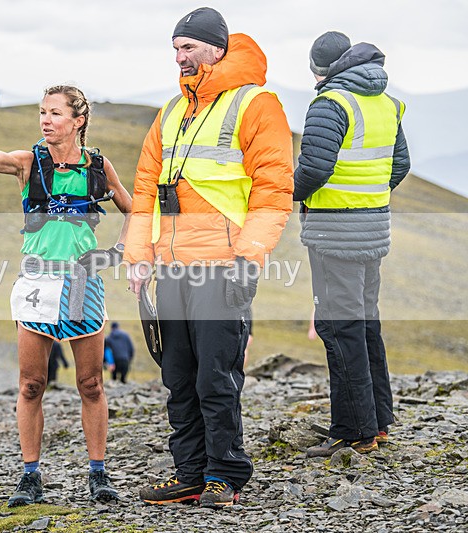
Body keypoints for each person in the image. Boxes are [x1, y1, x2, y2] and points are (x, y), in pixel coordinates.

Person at [0, 84, 132, 506]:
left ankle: (98, 475)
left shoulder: (98, 166)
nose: (45, 120)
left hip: (82, 283)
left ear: (78, 121)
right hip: (37, 283)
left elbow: (134, 210)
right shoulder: (30, 162)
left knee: (91, 384)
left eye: (55, 113)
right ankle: (30, 477)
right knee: (32, 384)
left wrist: (116, 254)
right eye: (42, 112)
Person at [124, 7, 293, 507]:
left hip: (223, 265)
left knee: (215, 376)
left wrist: (250, 256)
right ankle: (190, 473)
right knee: (178, 377)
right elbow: (144, 190)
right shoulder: (170, 112)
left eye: (189, 48)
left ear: (217, 49)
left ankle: (225, 474)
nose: (180, 58)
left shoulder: (257, 104)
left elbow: (273, 189)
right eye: (175, 49)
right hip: (172, 268)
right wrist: (138, 257)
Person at [294, 32, 410, 458]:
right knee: (364, 323)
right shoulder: (386, 101)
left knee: (339, 328)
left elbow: (315, 168)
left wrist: (288, 193)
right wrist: (369, 199)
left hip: (334, 232)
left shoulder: (331, 103)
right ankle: (377, 422)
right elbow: (400, 164)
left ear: (320, 68)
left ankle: (352, 431)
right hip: (373, 228)